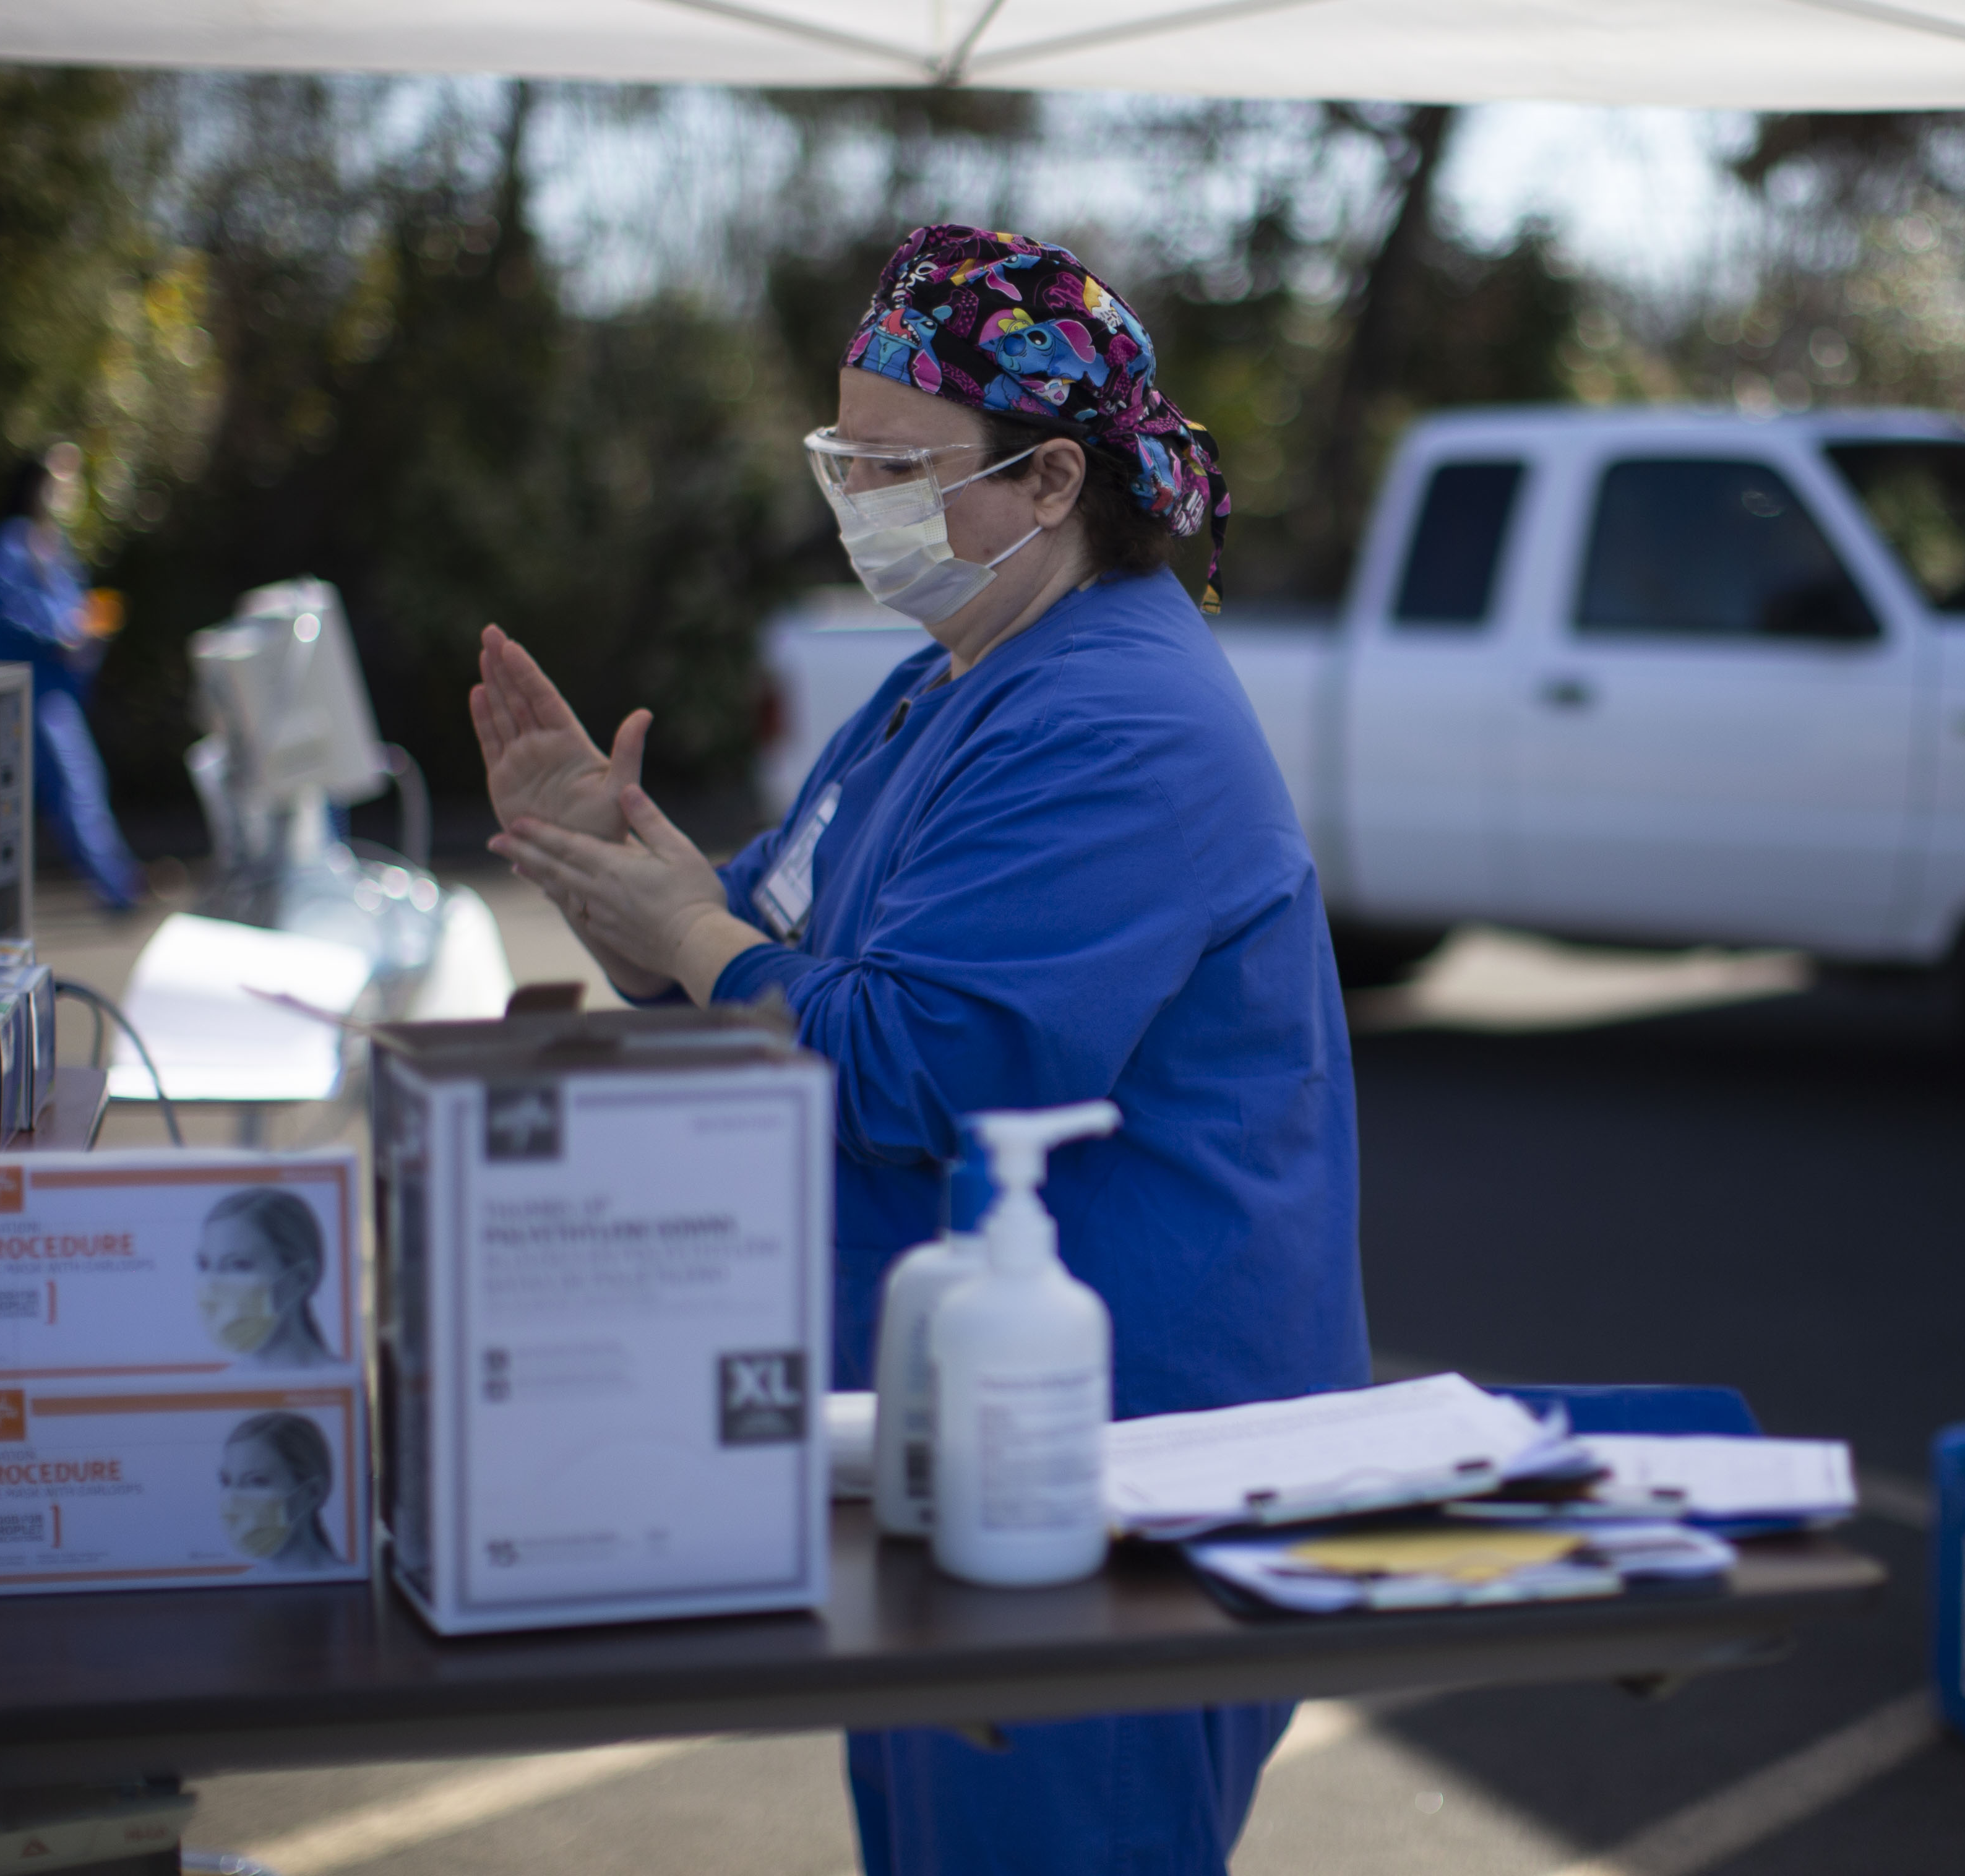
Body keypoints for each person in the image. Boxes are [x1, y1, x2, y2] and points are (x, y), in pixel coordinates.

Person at [475, 223, 1368, 1876]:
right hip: (953, 1453)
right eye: (844, 458)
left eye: (900, 465)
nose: (859, 500)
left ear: (1050, 480)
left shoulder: (1112, 722)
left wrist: (691, 935)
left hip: (1113, 1486)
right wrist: (613, 879)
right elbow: (744, 952)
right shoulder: (946, 683)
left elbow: (918, 1069)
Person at [0, 449, 143, 912]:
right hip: (18, 692)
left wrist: (89, 629)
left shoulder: (55, 546)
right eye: (59, 479)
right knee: (48, 793)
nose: (67, 489)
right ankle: (119, 890)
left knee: (75, 787)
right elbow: (10, 611)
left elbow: (74, 618)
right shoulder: (12, 542)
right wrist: (64, 631)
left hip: (55, 694)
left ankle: (120, 887)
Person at [196, 1187, 335, 1368]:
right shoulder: (220, 1384)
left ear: (301, 1278)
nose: (212, 1287)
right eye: (204, 1265)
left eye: (238, 1265)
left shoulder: (345, 1380)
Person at [218, 1409, 342, 1572]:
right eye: (227, 1481)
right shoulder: (245, 1582)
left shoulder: (349, 1580)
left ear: (313, 1492)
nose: (233, 1502)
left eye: (256, 1481)